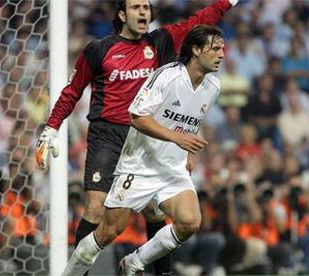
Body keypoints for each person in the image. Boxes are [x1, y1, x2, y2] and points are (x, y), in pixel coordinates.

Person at [36, 0, 237, 274]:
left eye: (146, 7)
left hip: (150, 137)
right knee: (96, 210)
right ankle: (78, 272)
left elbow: (199, 21)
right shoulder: (99, 49)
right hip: (108, 133)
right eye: (136, 7)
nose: (144, 12)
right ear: (122, 14)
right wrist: (52, 126)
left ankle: (154, 271)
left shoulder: (160, 42)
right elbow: (73, 90)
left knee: (156, 213)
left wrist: (228, 2)